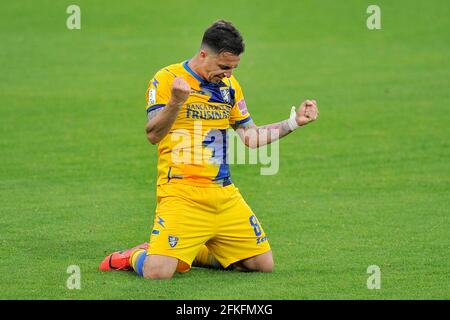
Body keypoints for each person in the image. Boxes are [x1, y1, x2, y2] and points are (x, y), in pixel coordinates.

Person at [99, 20, 319, 279]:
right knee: (157, 274)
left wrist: (293, 123)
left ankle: (189, 250)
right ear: (203, 54)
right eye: (224, 67)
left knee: (262, 265)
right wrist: (176, 102)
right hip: (181, 194)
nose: (228, 74)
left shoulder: (230, 87)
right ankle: (135, 255)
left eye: (234, 68)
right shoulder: (168, 79)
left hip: (223, 194)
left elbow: (250, 136)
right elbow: (153, 134)